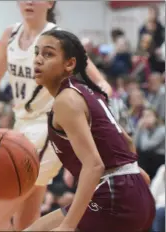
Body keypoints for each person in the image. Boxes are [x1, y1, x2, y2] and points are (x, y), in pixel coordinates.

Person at [0, 1, 112, 230]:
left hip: (49, 130)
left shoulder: (60, 38)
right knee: (25, 223)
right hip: (21, 128)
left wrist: (96, 104)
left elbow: (101, 83)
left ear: (50, 2)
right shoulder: (10, 33)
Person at [25, 29, 155, 232]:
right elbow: (127, 141)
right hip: (130, 193)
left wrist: (68, 226)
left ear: (69, 64)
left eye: (48, 54)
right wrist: (132, 172)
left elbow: (94, 165)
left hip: (115, 197)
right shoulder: (85, 91)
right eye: (36, 53)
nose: (38, 60)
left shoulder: (66, 100)